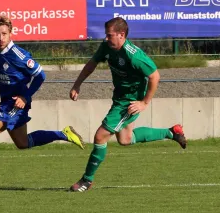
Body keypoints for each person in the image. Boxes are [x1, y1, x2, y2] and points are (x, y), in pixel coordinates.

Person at [0, 15, 84, 188]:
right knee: (22, 143)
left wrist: (26, 97)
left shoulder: (18, 55)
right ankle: (63, 133)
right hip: (7, 102)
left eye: (4, 34)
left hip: (16, 103)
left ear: (11, 33)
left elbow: (41, 75)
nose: (0, 38)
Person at [68, 17, 186, 192]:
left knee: (100, 136)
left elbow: (155, 76)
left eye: (109, 35)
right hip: (119, 97)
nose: (106, 39)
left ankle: (87, 180)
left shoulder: (134, 55)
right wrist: (77, 84)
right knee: (125, 139)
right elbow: (91, 64)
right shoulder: (107, 46)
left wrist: (144, 103)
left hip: (129, 102)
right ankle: (171, 132)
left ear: (121, 35)